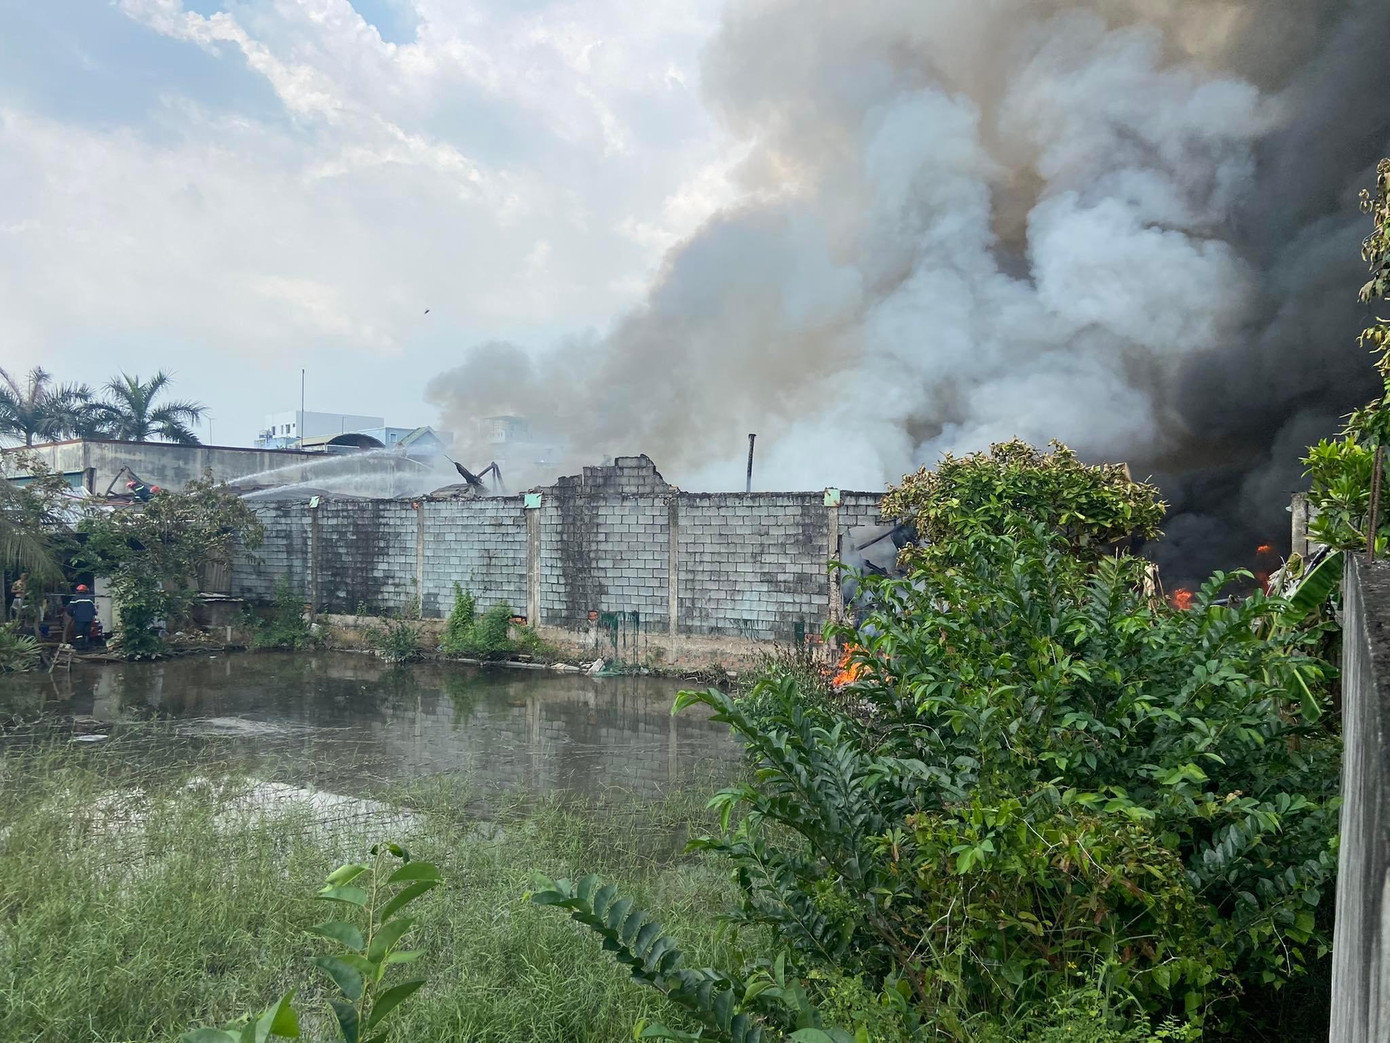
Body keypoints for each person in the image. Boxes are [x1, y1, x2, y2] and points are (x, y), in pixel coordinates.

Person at [66, 584, 97, 648]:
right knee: (86, 633)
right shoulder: (90, 599)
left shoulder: (75, 599)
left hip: (79, 619)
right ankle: (86, 646)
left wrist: (72, 614)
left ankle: (79, 646)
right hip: (89, 619)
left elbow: (69, 608)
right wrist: (93, 615)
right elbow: (93, 610)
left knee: (79, 633)